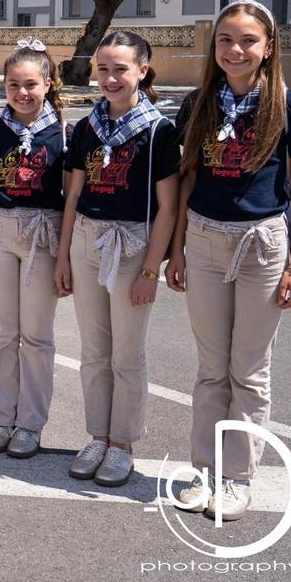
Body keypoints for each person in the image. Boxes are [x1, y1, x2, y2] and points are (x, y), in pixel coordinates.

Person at [166, 0, 291, 521]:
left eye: (247, 41)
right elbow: (188, 178)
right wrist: (177, 251)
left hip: (262, 245)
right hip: (206, 242)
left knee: (249, 372)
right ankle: (203, 471)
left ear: (268, 46)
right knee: (211, 368)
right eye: (225, 41)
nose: (235, 50)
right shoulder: (197, 105)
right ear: (214, 48)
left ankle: (237, 478)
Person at [55, 30, 180, 489]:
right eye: (102, 69)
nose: (109, 78)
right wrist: (65, 256)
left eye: (120, 69)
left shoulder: (158, 130)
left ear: (142, 71)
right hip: (87, 240)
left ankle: (122, 444)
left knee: (127, 354)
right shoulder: (87, 127)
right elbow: (74, 194)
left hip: (132, 247)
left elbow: (169, 207)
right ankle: (98, 436)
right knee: (93, 350)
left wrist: (152, 269)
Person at [0, 41, 66, 459]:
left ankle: (29, 425)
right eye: (13, 85)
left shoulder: (65, 133)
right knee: (3, 333)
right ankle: (1, 418)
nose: (22, 93)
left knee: (36, 336)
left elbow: (71, 196)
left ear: (47, 83)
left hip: (44, 234)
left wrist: (65, 258)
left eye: (30, 84)